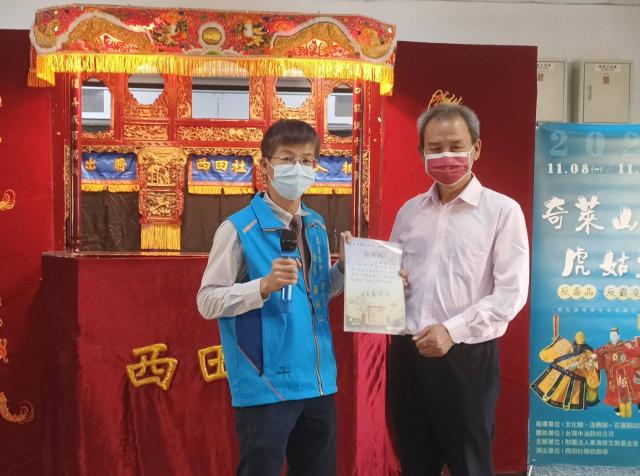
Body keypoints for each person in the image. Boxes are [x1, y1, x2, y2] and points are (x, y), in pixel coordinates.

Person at [197, 119, 350, 476]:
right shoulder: (238, 228)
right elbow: (207, 300)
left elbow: (316, 295)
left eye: (306, 160)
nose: (297, 168)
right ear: (265, 165)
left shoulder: (315, 225)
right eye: (287, 159)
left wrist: (344, 269)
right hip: (267, 383)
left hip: (318, 381)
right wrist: (262, 286)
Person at [387, 103, 530, 476]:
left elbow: (511, 294)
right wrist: (386, 282)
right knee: (414, 460)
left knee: (470, 463)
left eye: (455, 146)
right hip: (407, 352)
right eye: (435, 148)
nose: (445, 156)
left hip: (465, 355)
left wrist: (452, 331)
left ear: (476, 148)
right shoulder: (409, 212)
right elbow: (391, 276)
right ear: (421, 152)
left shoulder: (502, 211)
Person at [594, 327, 640, 418]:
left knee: (635, 388)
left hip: (627, 371)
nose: (613, 337)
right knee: (618, 392)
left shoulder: (625, 345)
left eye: (615, 335)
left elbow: (636, 347)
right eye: (611, 335)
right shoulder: (606, 348)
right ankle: (620, 407)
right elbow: (597, 354)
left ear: (619, 336)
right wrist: (594, 357)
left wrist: (638, 340)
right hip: (614, 374)